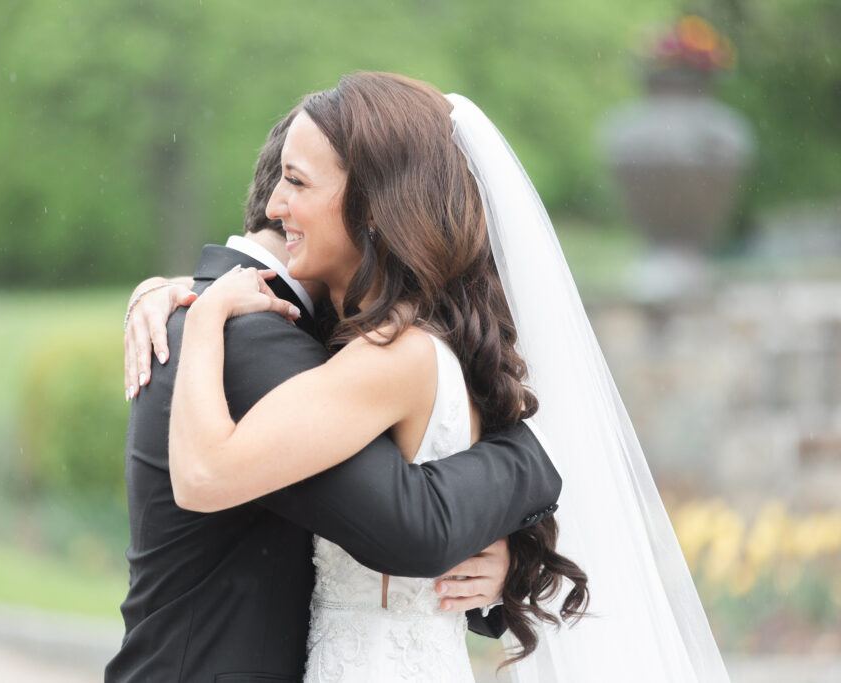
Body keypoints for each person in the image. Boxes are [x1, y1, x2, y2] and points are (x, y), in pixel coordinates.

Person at [166, 72, 730, 682]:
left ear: (374, 208)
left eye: (297, 182)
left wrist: (203, 318)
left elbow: (202, 478)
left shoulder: (392, 354)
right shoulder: (426, 344)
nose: (275, 205)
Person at [105, 110, 564, 682]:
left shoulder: (277, 329)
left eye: (298, 183)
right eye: (288, 181)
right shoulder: (251, 339)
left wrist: (503, 565)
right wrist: (536, 454)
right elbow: (411, 525)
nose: (281, 203)